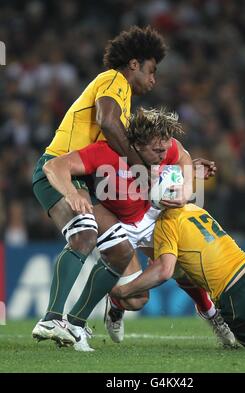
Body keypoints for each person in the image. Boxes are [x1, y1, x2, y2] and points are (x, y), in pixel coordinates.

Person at [38, 107, 236, 350]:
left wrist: (185, 191)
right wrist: (71, 193)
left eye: (165, 148)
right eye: (157, 151)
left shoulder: (165, 147)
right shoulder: (106, 152)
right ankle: (116, 304)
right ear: (137, 145)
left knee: (185, 267)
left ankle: (210, 313)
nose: (164, 156)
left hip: (152, 217)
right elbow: (53, 167)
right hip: (119, 225)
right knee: (138, 300)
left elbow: (182, 156)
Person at [31, 25, 167, 350]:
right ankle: (51, 317)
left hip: (83, 179)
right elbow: (108, 122)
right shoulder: (113, 81)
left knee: (120, 253)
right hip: (58, 169)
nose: (154, 79)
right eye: (151, 70)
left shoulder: (123, 94)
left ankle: (75, 325)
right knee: (84, 236)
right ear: (133, 64)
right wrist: (139, 165)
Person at [110, 203, 245, 351]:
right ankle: (208, 310)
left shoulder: (165, 223)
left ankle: (208, 310)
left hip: (238, 296)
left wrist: (121, 291)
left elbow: (163, 271)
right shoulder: (195, 208)